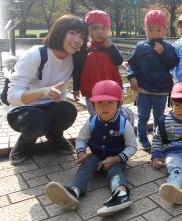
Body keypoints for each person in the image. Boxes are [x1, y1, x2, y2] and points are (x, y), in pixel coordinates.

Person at [45, 80, 137, 217]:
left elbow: (132, 146)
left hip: (115, 158)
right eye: (100, 103)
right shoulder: (92, 121)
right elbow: (81, 139)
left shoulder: (124, 124)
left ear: (119, 103)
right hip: (95, 155)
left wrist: (117, 158)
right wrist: (81, 152)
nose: (104, 107)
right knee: (85, 167)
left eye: (110, 102)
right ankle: (74, 192)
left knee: (115, 172)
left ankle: (121, 194)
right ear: (93, 104)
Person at [6, 14, 87, 165]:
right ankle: (25, 143)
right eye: (72, 33)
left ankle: (55, 135)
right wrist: (43, 91)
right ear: (59, 31)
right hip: (23, 109)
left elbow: (60, 92)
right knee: (38, 121)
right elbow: (12, 96)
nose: (77, 40)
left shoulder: (72, 59)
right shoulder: (37, 54)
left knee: (68, 110)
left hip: (49, 106)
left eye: (81, 36)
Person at [127, 9, 179, 150]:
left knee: (158, 118)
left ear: (164, 30)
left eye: (158, 30)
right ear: (145, 29)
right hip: (143, 89)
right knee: (143, 117)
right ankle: (142, 138)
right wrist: (132, 77)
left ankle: (157, 139)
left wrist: (162, 54)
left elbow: (173, 64)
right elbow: (132, 64)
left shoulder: (168, 48)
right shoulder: (141, 47)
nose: (154, 33)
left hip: (161, 91)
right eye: (150, 30)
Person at [72, 10, 123, 115]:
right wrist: (76, 88)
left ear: (108, 30)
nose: (99, 32)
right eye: (94, 28)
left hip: (111, 90)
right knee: (95, 116)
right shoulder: (84, 49)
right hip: (92, 92)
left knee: (113, 115)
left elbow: (119, 61)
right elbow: (77, 69)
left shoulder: (110, 47)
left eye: (103, 28)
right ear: (88, 31)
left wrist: (111, 46)